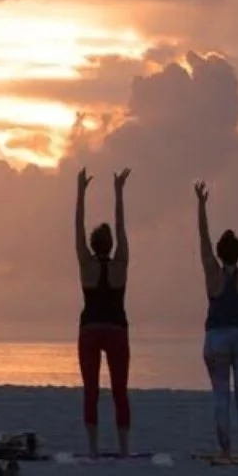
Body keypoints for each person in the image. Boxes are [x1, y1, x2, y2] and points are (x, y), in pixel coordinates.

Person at [197, 179, 238, 460]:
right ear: (237, 252)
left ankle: (225, 451)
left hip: (217, 339)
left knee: (221, 397)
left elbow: (203, 239)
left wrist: (200, 205)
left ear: (220, 252)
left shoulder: (212, 272)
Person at [75, 167, 132, 457]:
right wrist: (119, 192)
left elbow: (77, 228)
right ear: (110, 246)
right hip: (116, 330)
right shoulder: (120, 264)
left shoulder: (86, 265)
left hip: (90, 330)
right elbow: (122, 228)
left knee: (91, 391)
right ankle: (123, 450)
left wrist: (80, 192)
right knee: (119, 391)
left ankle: (93, 449)